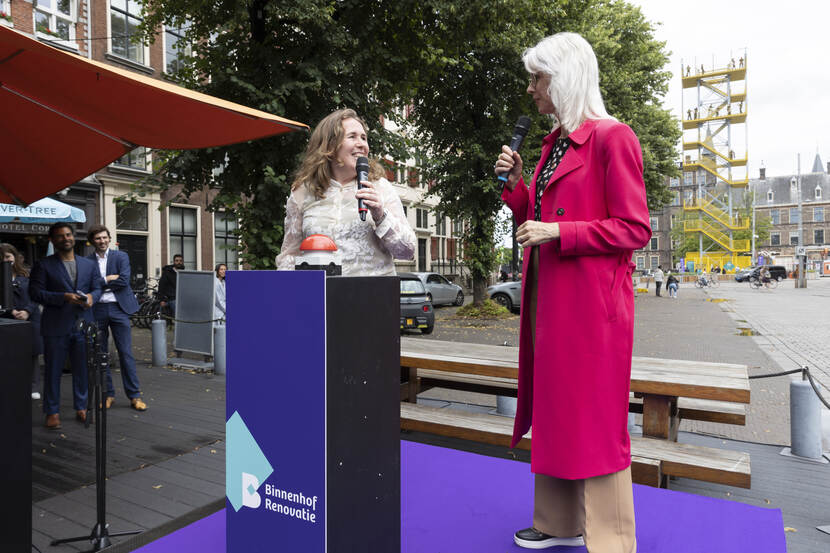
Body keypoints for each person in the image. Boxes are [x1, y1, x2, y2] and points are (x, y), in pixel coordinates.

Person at [494, 32, 650, 552]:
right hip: (552, 301)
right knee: (558, 410)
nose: (532, 89)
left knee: (595, 418)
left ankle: (610, 537)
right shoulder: (553, 143)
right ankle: (559, 522)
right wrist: (520, 187)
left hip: (591, 308)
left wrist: (561, 233)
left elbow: (634, 228)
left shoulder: (613, 137)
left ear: (564, 79)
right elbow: (536, 221)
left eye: (538, 78)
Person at [275, 108, 415, 275]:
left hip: (373, 296)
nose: (362, 144)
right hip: (323, 297)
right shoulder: (302, 192)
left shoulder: (381, 188)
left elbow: (407, 252)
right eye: (352, 137)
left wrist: (380, 215)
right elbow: (289, 256)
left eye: (364, 138)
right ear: (330, 145)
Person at [29, 223, 104, 429]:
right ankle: (52, 412)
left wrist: (91, 297)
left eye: (69, 235)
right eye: (60, 236)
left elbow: (98, 288)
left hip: (83, 325)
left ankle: (82, 407)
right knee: (53, 371)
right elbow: (35, 294)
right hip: (56, 326)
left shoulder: (88, 264)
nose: (66, 238)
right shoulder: (43, 265)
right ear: (52, 240)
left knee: (82, 370)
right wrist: (63, 297)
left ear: (74, 237)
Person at [86, 225, 146, 411]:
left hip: (119, 309)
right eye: (98, 238)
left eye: (105, 237)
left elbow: (124, 280)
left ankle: (134, 396)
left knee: (126, 353)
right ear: (92, 241)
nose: (102, 241)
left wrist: (103, 283)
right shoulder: (87, 262)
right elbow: (89, 284)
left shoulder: (121, 257)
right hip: (98, 309)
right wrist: (107, 279)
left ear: (109, 239)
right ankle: (108, 394)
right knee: (100, 354)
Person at [1, 243, 43, 399]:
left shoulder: (28, 274)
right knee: (9, 354)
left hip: (30, 318)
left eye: (8, 256)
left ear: (14, 257)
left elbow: (36, 294)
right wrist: (9, 310)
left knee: (31, 354)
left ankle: (33, 386)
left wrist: (27, 310)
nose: (5, 260)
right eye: (2, 258)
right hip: (7, 320)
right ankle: (12, 385)